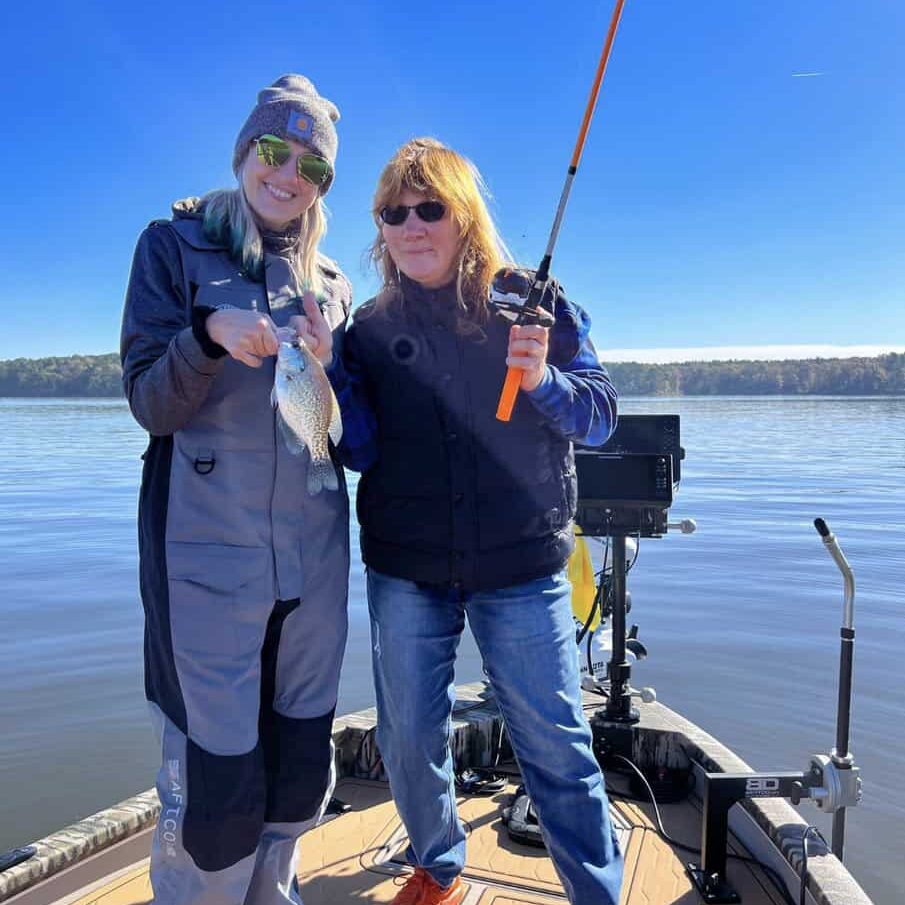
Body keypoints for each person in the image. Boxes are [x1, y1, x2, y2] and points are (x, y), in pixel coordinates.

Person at [312, 137, 623, 905]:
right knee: (408, 738)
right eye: (393, 211)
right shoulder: (371, 329)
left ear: (464, 217)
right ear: (379, 228)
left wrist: (542, 378)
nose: (411, 225)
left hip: (520, 569)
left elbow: (601, 417)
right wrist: (322, 371)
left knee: (556, 745)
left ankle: (596, 892)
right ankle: (437, 865)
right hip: (405, 568)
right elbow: (358, 447)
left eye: (430, 208)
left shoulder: (534, 301)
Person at [120, 74, 351, 905]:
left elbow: (340, 435)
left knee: (296, 772)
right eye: (273, 151)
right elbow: (151, 401)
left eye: (312, 167)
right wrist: (204, 335)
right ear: (245, 150)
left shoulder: (331, 283)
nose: (288, 175)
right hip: (204, 571)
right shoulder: (171, 246)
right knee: (215, 789)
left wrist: (334, 370)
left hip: (316, 573)